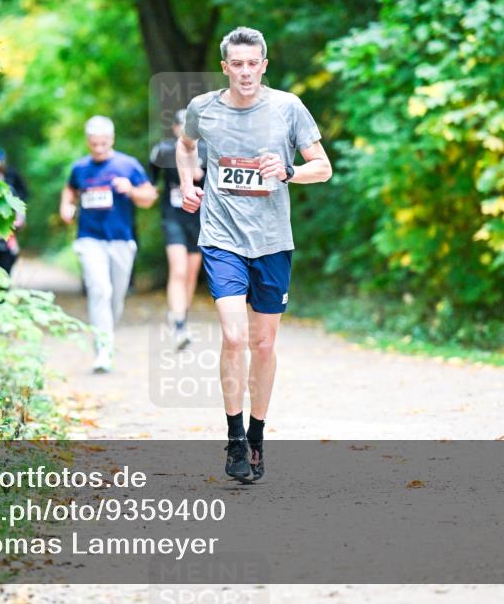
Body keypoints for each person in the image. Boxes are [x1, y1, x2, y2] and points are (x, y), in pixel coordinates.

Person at [176, 27, 332, 482]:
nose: (245, 72)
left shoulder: (288, 108)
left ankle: (258, 434)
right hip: (221, 237)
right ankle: (234, 438)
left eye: (253, 63)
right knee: (234, 335)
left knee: (264, 344)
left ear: (264, 64)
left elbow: (321, 168)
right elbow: (186, 149)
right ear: (225, 67)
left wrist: (288, 171)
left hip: (272, 243)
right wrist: (188, 183)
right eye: (236, 64)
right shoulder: (202, 109)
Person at [60, 115, 157, 373]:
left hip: (121, 241)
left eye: (103, 143)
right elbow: (69, 190)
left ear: (111, 140)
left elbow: (149, 197)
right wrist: (66, 207)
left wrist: (131, 190)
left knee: (115, 297)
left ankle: (107, 335)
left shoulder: (128, 165)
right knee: (99, 290)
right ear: (88, 142)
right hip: (90, 239)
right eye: (94, 144)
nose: (99, 148)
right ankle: (103, 350)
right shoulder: (80, 168)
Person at [149, 109, 208, 351]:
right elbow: (149, 181)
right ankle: (180, 325)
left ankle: (181, 314)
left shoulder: (207, 150)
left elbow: (207, 178)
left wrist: (195, 171)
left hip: (199, 219)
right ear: (174, 129)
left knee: (192, 272)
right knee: (179, 269)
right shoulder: (163, 151)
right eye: (181, 126)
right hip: (172, 216)